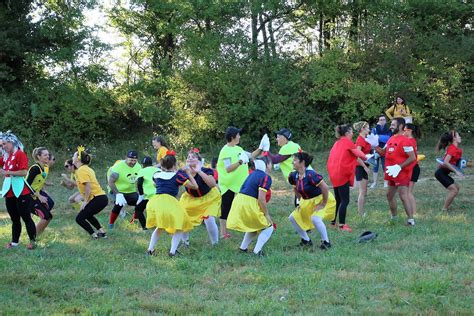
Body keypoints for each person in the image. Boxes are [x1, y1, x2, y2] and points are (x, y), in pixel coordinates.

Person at [146, 151, 199, 257]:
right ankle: (172, 252)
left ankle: (150, 250)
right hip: (169, 202)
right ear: (174, 165)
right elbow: (195, 186)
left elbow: (155, 184)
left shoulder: (156, 175)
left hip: (156, 202)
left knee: (160, 226)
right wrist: (188, 173)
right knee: (180, 226)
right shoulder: (177, 176)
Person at [216, 127, 259, 239]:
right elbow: (228, 168)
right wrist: (240, 162)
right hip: (228, 184)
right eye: (238, 135)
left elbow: (251, 156)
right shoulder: (225, 151)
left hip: (241, 183)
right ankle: (223, 233)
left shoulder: (238, 148)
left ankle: (249, 227)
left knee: (245, 204)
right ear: (232, 137)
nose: (239, 137)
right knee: (226, 206)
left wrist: (261, 148)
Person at [227, 157, 274, 256]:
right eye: (270, 163)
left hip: (239, 201)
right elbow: (261, 198)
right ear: (266, 165)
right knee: (269, 226)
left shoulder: (252, 174)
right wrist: (267, 214)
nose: (271, 166)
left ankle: (242, 249)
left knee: (254, 226)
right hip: (249, 203)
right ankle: (257, 252)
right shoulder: (266, 177)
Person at [288, 152, 335, 250]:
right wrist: (299, 201)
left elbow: (325, 188)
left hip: (321, 199)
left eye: (295, 160)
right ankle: (306, 240)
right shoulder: (293, 176)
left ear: (302, 162)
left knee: (315, 219)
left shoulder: (311, 175)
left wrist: (323, 204)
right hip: (306, 201)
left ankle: (326, 242)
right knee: (292, 217)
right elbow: (296, 189)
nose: (293, 162)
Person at [327, 124, 368, 232]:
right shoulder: (347, 142)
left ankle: (332, 222)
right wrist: (367, 157)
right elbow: (360, 154)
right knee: (345, 200)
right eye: (350, 132)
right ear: (346, 134)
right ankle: (342, 225)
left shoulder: (336, 143)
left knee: (338, 200)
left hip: (334, 174)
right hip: (342, 174)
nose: (352, 133)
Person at [0, 131, 37, 249]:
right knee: (14, 218)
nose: (3, 146)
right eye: (2, 145)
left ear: (12, 142)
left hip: (21, 191)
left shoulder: (20, 154)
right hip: (9, 192)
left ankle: (33, 241)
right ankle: (15, 242)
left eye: (4, 144)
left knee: (26, 217)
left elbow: (24, 172)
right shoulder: (6, 156)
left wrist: (7, 172)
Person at [179, 148, 221, 246]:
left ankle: (215, 244)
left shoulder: (206, 170)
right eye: (188, 157)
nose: (190, 159)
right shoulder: (183, 172)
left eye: (193, 157)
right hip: (190, 199)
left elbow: (212, 184)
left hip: (209, 198)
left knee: (209, 219)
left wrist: (199, 171)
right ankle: (185, 243)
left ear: (199, 160)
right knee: (183, 218)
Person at [383, 118, 417, 226]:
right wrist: (373, 145)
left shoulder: (405, 140)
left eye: (393, 124)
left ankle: (411, 220)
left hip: (401, 172)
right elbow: (383, 152)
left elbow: (412, 158)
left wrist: (399, 166)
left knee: (403, 196)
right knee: (389, 195)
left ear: (401, 126)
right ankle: (394, 218)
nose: (391, 126)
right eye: (391, 124)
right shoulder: (391, 138)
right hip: (391, 172)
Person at [73, 146, 108, 238]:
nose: (72, 158)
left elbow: (88, 186)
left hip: (98, 198)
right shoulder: (86, 168)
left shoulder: (81, 170)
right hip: (101, 198)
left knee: (79, 218)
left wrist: (85, 201)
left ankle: (94, 235)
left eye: (74, 156)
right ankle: (102, 232)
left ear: (78, 159)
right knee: (87, 215)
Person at [108, 151, 142, 228]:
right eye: (131, 160)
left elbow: (140, 180)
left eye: (135, 160)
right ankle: (111, 224)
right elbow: (110, 182)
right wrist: (118, 194)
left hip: (131, 191)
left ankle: (133, 222)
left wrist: (140, 193)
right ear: (126, 158)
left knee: (140, 204)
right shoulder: (118, 167)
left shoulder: (138, 166)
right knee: (117, 207)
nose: (133, 162)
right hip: (118, 191)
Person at [25, 147, 55, 236]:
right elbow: (26, 185)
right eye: (45, 155)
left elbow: (38, 180)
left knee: (49, 211)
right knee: (46, 217)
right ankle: (33, 238)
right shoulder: (35, 168)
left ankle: (38, 235)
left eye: (48, 154)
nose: (47, 156)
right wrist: (39, 196)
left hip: (35, 194)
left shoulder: (43, 167)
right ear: (39, 157)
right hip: (28, 197)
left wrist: (45, 185)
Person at [435, 130, 464, 212]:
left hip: (444, 173)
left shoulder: (456, 149)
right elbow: (445, 162)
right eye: (458, 136)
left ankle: (446, 207)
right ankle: (444, 209)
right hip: (440, 173)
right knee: (454, 190)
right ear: (454, 138)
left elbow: (454, 162)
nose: (460, 137)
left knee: (456, 188)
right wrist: (456, 171)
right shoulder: (452, 149)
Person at [132, 156, 160, 230]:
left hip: (149, 195)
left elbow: (139, 183)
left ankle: (145, 228)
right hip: (160, 194)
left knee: (138, 210)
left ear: (142, 165)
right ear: (152, 163)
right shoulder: (158, 169)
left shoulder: (142, 171)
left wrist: (141, 195)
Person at [353, 121, 372, 217]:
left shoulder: (365, 139)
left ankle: (362, 212)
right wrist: (364, 167)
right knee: (362, 191)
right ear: (362, 129)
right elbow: (357, 155)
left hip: (364, 166)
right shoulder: (360, 140)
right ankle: (360, 213)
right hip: (360, 167)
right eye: (367, 128)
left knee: (365, 191)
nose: (369, 129)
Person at [370, 115, 392, 188]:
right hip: (376, 149)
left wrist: (379, 137)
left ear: (385, 121)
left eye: (383, 119)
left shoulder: (389, 129)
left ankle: (385, 182)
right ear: (378, 121)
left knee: (385, 166)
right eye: (380, 120)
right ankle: (374, 183)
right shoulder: (374, 129)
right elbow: (372, 138)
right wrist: (381, 137)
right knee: (375, 166)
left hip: (385, 149)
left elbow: (388, 139)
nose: (382, 121)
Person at [404, 124, 421, 215]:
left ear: (410, 131)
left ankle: (414, 213)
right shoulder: (411, 140)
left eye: (405, 130)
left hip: (413, 168)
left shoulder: (410, 141)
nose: (403, 132)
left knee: (408, 192)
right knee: (407, 192)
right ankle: (411, 212)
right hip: (412, 168)